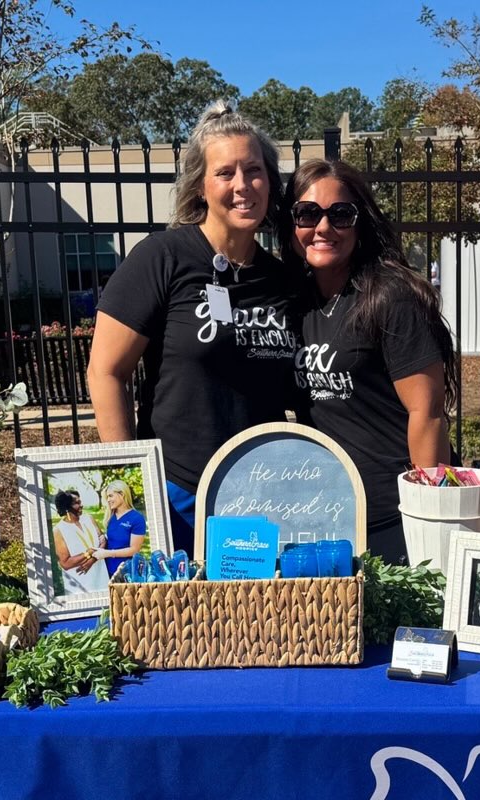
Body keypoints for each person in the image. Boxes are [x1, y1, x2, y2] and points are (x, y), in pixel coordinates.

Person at [88, 102, 300, 558]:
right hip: (177, 492)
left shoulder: (282, 280)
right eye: (226, 173)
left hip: (261, 496)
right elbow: (105, 371)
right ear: (201, 186)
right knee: (176, 625)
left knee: (253, 622)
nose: (243, 185)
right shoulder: (162, 258)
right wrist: (130, 480)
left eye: (254, 170)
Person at [279, 159, 458, 564]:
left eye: (340, 214)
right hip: (330, 517)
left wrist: (429, 518)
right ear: (290, 226)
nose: (323, 227)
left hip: (397, 517)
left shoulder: (390, 296)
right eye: (307, 213)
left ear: (360, 224)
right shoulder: (294, 304)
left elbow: (427, 413)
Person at [52, 491, 109, 595]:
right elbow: (65, 563)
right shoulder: (59, 530)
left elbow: (103, 540)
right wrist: (88, 553)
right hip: (80, 582)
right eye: (76, 503)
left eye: (80, 501)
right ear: (66, 507)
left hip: (101, 575)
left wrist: (92, 559)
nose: (81, 505)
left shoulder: (89, 518)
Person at [90, 479, 147, 578]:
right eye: (107, 497)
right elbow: (116, 536)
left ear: (122, 494)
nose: (108, 500)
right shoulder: (111, 516)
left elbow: (134, 550)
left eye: (110, 496)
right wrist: (105, 537)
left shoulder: (137, 518)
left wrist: (107, 553)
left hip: (125, 572)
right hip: (107, 569)